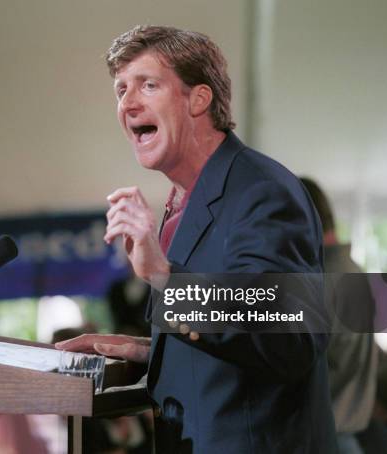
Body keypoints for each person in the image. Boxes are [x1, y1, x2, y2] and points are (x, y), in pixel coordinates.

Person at [56, 25, 337, 452]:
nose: (128, 103)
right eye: (120, 90)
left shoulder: (261, 191)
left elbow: (287, 340)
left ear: (198, 99)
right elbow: (226, 342)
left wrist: (164, 276)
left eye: (148, 85)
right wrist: (148, 350)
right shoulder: (182, 201)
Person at [300, 177, 379, 453]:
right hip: (347, 435)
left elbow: (301, 365)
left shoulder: (323, 282)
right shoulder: (354, 272)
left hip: (326, 438)